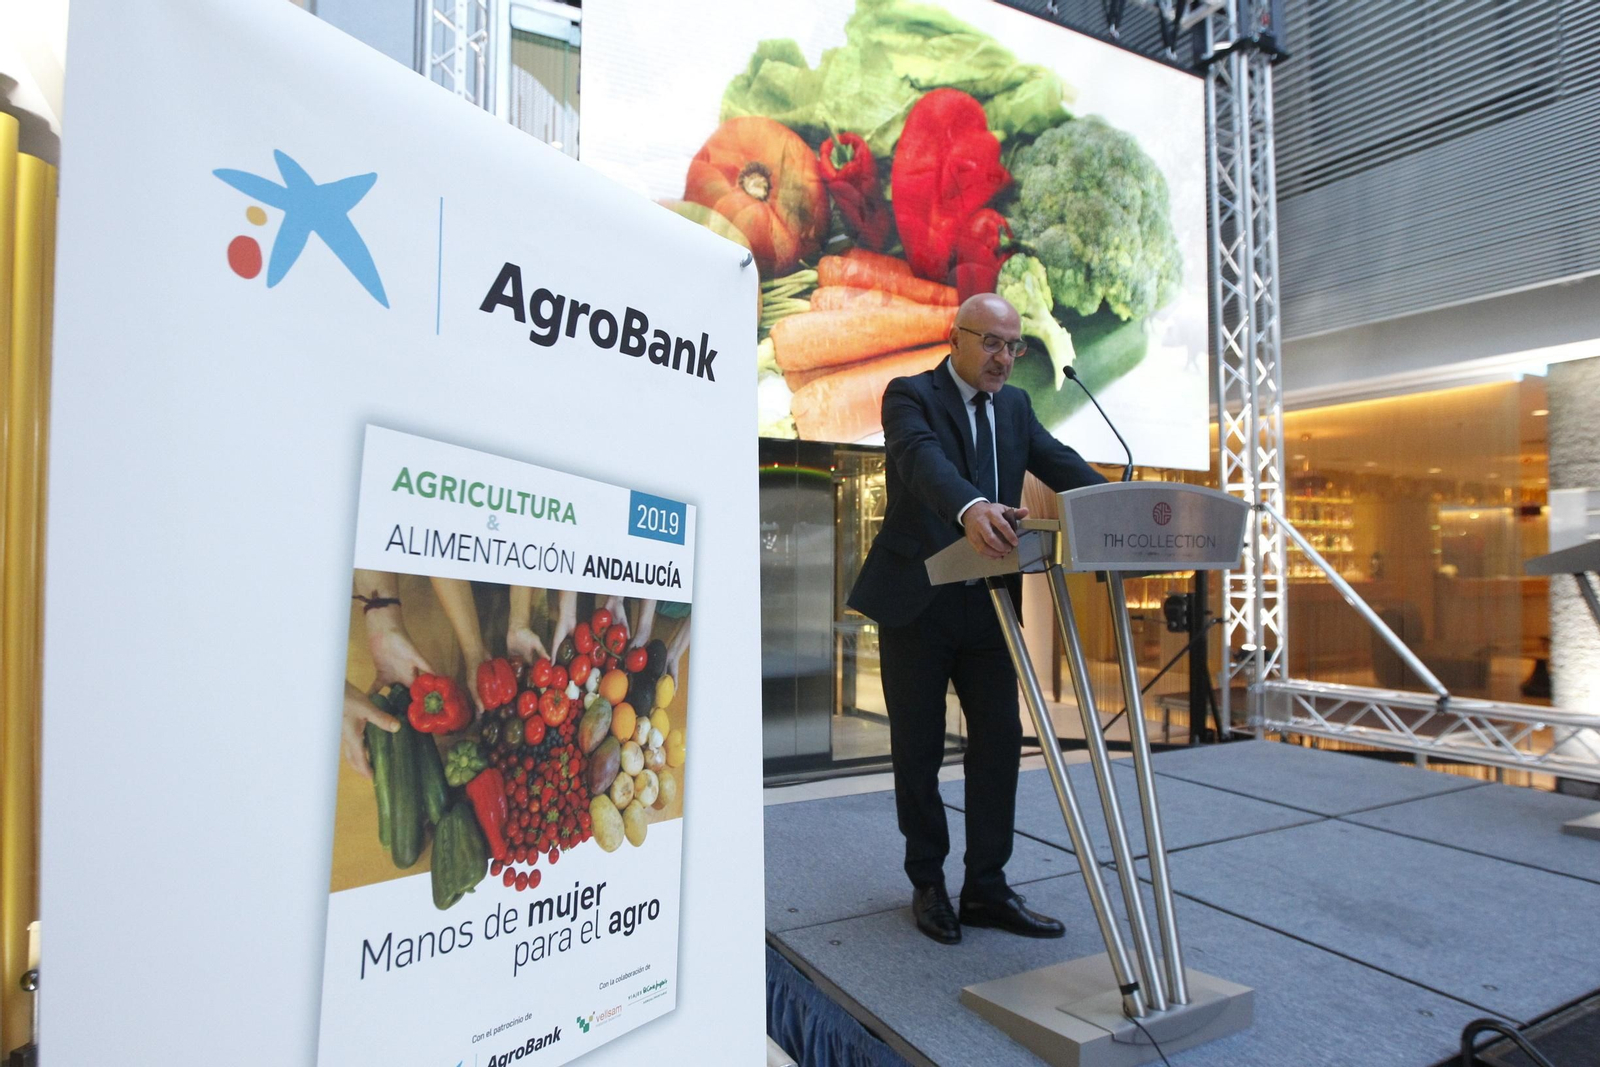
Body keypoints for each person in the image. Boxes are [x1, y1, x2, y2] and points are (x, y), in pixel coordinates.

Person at [847, 292, 1106, 945]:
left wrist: (1121, 505)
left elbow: (1060, 463)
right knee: (921, 748)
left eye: (1013, 345)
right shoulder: (910, 394)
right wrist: (971, 506)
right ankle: (928, 882)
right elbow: (920, 461)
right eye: (990, 342)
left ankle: (987, 886)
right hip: (918, 598)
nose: (1003, 358)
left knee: (998, 745)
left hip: (990, 600)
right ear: (955, 336)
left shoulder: (1017, 405)